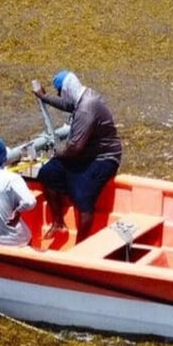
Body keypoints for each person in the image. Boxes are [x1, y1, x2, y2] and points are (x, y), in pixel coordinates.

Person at [31, 70, 122, 241]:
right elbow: (67, 105)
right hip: (84, 154)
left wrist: (57, 152)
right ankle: (58, 222)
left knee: (83, 198)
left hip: (103, 157)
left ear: (66, 90)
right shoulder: (84, 96)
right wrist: (44, 97)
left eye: (60, 92)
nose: (60, 95)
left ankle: (81, 243)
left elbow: (74, 148)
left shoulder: (86, 108)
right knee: (47, 173)